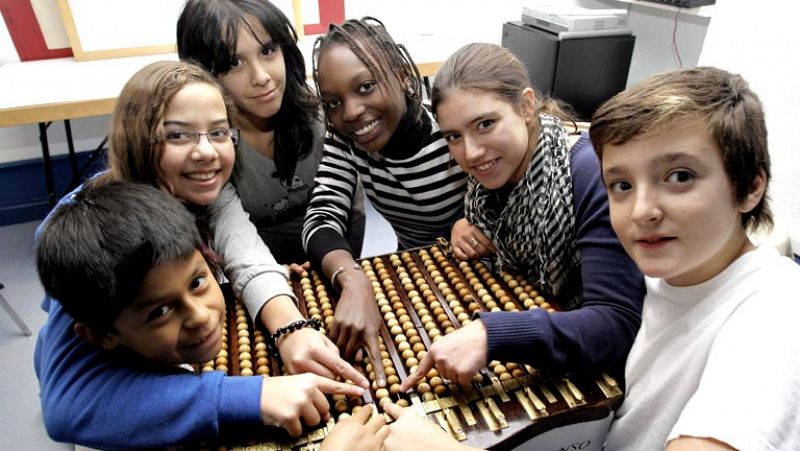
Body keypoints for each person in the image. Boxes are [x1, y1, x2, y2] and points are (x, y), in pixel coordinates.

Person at [33, 60, 367, 449]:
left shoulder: (205, 190)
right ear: (136, 139)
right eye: (178, 136)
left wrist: (291, 330)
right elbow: (67, 404)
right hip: (113, 388)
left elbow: (246, 256)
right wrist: (248, 396)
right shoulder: (98, 232)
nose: (206, 152)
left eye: (219, 132)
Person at [36, 182, 366, 447]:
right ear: (101, 335)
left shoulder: (167, 216)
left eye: (197, 282)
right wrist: (249, 396)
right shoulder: (90, 272)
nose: (199, 316)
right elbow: (65, 411)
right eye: (160, 311)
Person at [401, 43, 644, 392]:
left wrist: (494, 334)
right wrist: (458, 225)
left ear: (527, 106)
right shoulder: (492, 177)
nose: (470, 153)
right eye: (454, 136)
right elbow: (494, 225)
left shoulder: (591, 174)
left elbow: (616, 324)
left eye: (485, 124)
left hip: (600, 377)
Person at [591, 67, 800, 450]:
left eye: (680, 176)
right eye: (622, 185)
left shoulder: (779, 308)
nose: (641, 211)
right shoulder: (668, 275)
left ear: (750, 187)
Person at [303, 17, 468, 384]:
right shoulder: (346, 140)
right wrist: (352, 276)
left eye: (365, 87)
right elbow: (320, 219)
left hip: (475, 270)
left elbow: (500, 182)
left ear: (403, 76)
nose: (349, 112)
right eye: (332, 102)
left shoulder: (449, 125)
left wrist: (474, 219)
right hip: (412, 275)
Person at [176, 0, 366, 265]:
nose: (261, 76)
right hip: (259, 277)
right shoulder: (210, 149)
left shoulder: (322, 116)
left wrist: (343, 269)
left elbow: (352, 210)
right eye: (234, 63)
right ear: (205, 73)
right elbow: (232, 239)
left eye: (267, 50)